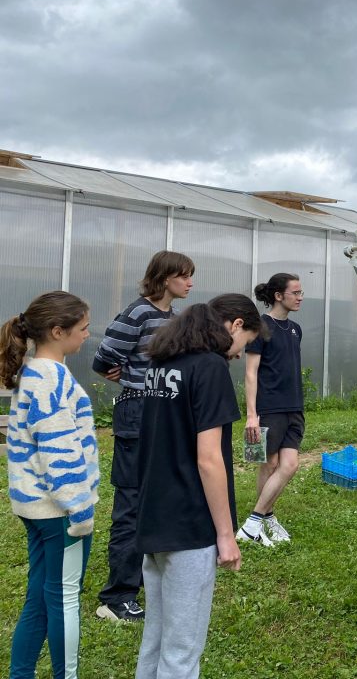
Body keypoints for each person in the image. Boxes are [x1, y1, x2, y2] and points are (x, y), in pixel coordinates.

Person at [134, 294, 262, 679]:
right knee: (182, 649)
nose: (239, 355)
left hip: (154, 518)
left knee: (156, 638)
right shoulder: (209, 367)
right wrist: (226, 534)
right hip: (190, 525)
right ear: (234, 327)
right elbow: (209, 458)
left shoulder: (161, 362)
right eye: (245, 343)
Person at [92, 250, 195, 621]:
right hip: (137, 414)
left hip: (162, 415)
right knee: (132, 506)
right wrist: (133, 383)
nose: (190, 282)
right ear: (165, 277)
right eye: (184, 276)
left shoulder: (175, 317)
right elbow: (103, 358)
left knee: (156, 500)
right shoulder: (138, 312)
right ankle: (116, 597)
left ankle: (143, 581)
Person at [3, 291, 99, 679]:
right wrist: (80, 510)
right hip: (61, 512)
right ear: (57, 331)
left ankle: (21, 673)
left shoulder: (31, 372)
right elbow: (58, 451)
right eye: (83, 329)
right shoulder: (52, 378)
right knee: (65, 601)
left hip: (35, 508)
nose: (87, 336)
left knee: (39, 600)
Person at [237, 273, 304, 546]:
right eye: (295, 293)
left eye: (301, 293)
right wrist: (252, 416)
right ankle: (261, 520)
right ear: (278, 295)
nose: (300, 298)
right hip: (269, 408)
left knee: (290, 465)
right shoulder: (260, 327)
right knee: (270, 463)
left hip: (295, 407)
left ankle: (257, 520)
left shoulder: (296, 329)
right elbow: (250, 374)